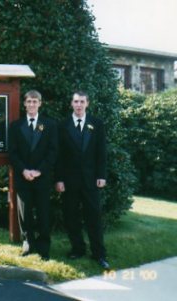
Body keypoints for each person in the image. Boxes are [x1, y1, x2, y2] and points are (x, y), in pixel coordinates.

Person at [55, 91, 109, 269]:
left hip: (91, 180)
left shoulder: (97, 124)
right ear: (71, 104)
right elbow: (59, 156)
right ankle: (78, 249)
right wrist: (59, 179)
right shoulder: (62, 125)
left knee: (94, 217)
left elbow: (101, 152)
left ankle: (99, 254)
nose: (79, 105)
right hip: (69, 182)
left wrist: (101, 175)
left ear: (87, 104)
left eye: (82, 102)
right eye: (76, 101)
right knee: (71, 217)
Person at [8, 90, 58, 260]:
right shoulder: (16, 126)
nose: (31, 104)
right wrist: (24, 170)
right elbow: (12, 153)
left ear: (40, 103)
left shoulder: (49, 125)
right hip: (23, 177)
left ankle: (44, 247)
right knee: (25, 214)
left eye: (35, 101)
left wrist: (39, 171)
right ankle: (28, 243)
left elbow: (53, 152)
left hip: (42, 178)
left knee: (44, 213)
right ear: (24, 104)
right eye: (29, 101)